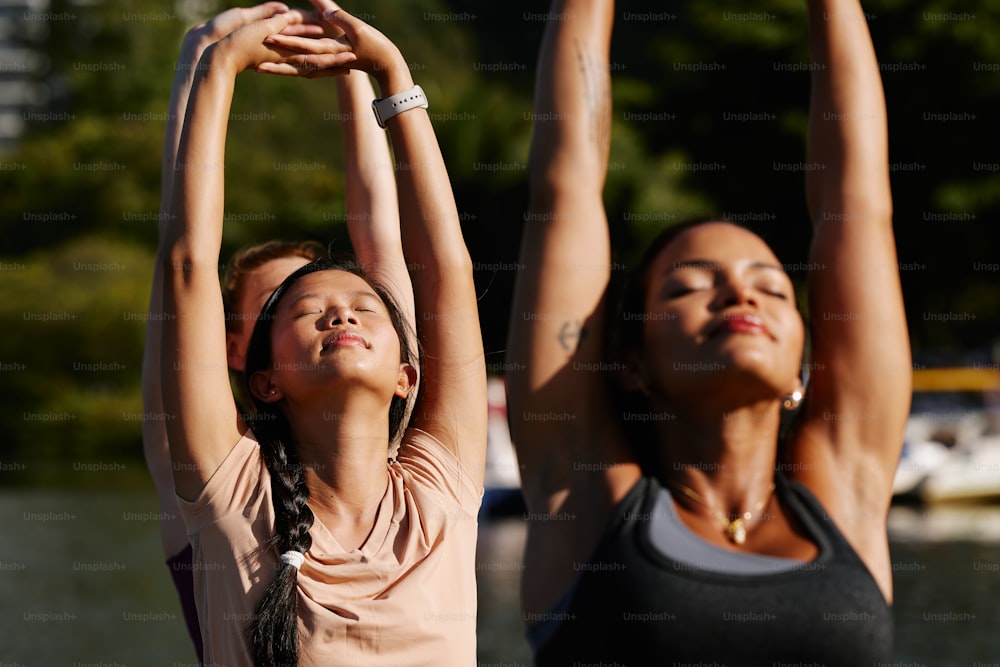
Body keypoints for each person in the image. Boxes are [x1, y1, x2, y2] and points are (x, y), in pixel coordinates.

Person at [506, 0, 910, 664]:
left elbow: (858, 205)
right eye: (690, 284)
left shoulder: (846, 489)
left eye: (773, 286)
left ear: (804, 367)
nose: (740, 292)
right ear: (632, 361)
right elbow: (565, 187)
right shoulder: (589, 495)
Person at [154, 5, 485, 665]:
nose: (342, 315)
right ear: (263, 376)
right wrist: (213, 68)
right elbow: (186, 263)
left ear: (407, 373)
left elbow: (442, 269)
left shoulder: (438, 491)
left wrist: (388, 73)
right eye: (306, 310)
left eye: (364, 305)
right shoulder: (234, 493)